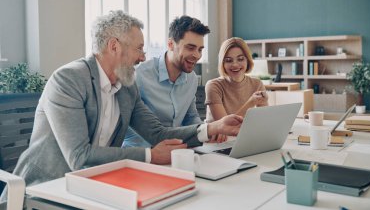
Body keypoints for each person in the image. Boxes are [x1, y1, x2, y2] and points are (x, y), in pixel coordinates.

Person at [0, 11, 242, 197]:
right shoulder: (68, 80)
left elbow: (157, 133)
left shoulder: (127, 87)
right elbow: (78, 157)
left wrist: (212, 129)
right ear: (114, 46)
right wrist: (149, 155)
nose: (143, 57)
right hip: (48, 186)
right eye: (138, 48)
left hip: (99, 183)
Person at [123, 15, 210, 147]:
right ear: (170, 44)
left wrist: (207, 133)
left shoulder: (191, 79)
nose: (197, 55)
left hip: (177, 151)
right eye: (190, 48)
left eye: (200, 49)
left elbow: (190, 117)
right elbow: (129, 125)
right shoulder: (139, 75)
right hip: (143, 154)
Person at [205, 37, 268, 124]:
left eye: (240, 59)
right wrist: (251, 103)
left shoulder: (257, 84)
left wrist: (264, 103)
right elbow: (225, 125)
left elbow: (264, 121)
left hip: (243, 133)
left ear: (247, 60)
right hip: (219, 136)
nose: (235, 64)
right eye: (228, 60)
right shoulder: (213, 86)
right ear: (223, 63)